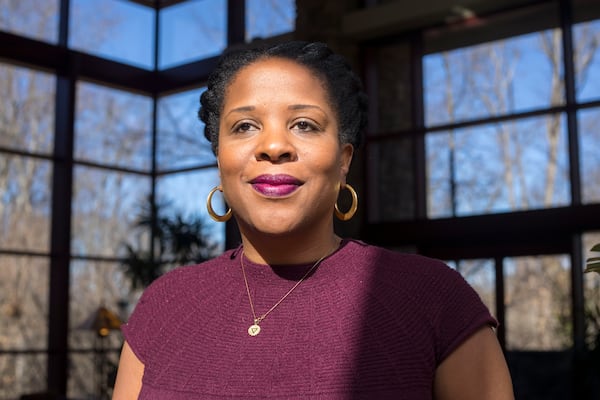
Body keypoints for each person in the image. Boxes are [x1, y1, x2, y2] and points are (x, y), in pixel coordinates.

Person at [112, 41, 514, 399]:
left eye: (304, 124)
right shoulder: (164, 306)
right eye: (245, 126)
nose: (273, 146)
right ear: (220, 160)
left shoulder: (434, 299)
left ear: (343, 160)